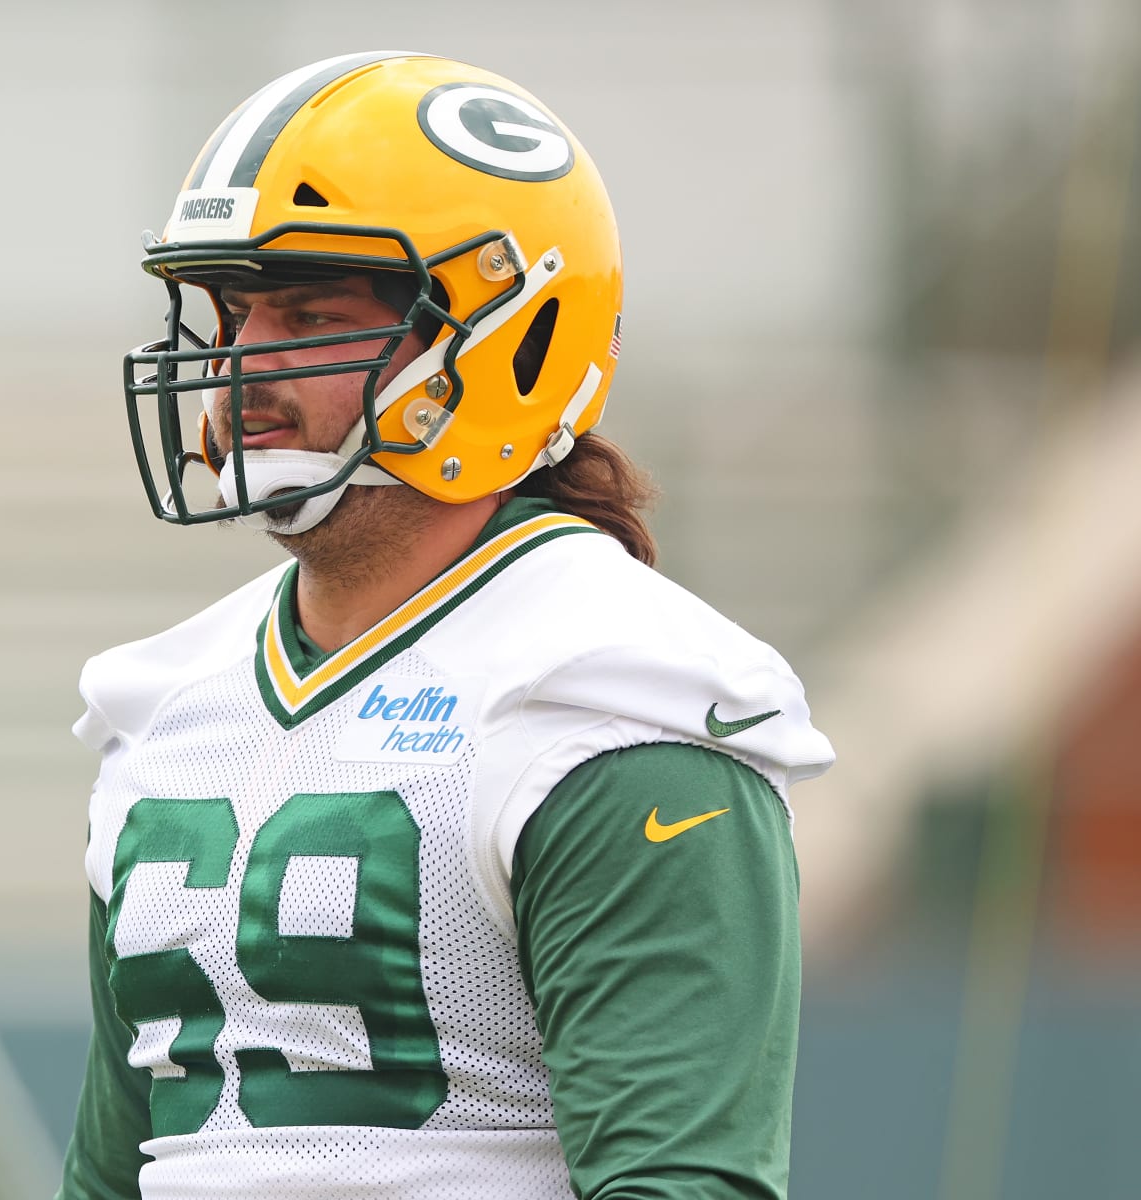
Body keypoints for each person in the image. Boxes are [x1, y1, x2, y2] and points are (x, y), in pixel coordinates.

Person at [57, 51, 837, 1200]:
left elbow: (682, 1182)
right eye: (234, 312)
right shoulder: (163, 706)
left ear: (499, 343)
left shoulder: (605, 700)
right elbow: (114, 1172)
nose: (238, 366)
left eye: (308, 313)